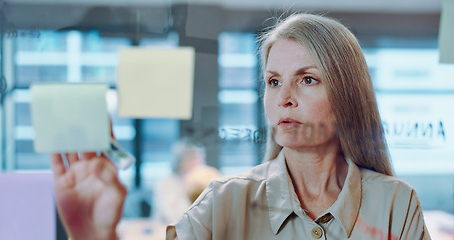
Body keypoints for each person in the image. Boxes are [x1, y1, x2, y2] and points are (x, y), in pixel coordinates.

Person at [51, 13, 431, 239]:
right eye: (273, 81)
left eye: (308, 79)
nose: (284, 97)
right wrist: (93, 234)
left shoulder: (396, 203)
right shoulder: (223, 203)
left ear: (347, 94)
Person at [152, 139, 221, 224]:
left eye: (200, 157)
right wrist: (189, 188)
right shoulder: (166, 184)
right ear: (179, 162)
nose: (198, 162)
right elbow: (175, 217)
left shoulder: (207, 179)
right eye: (192, 158)